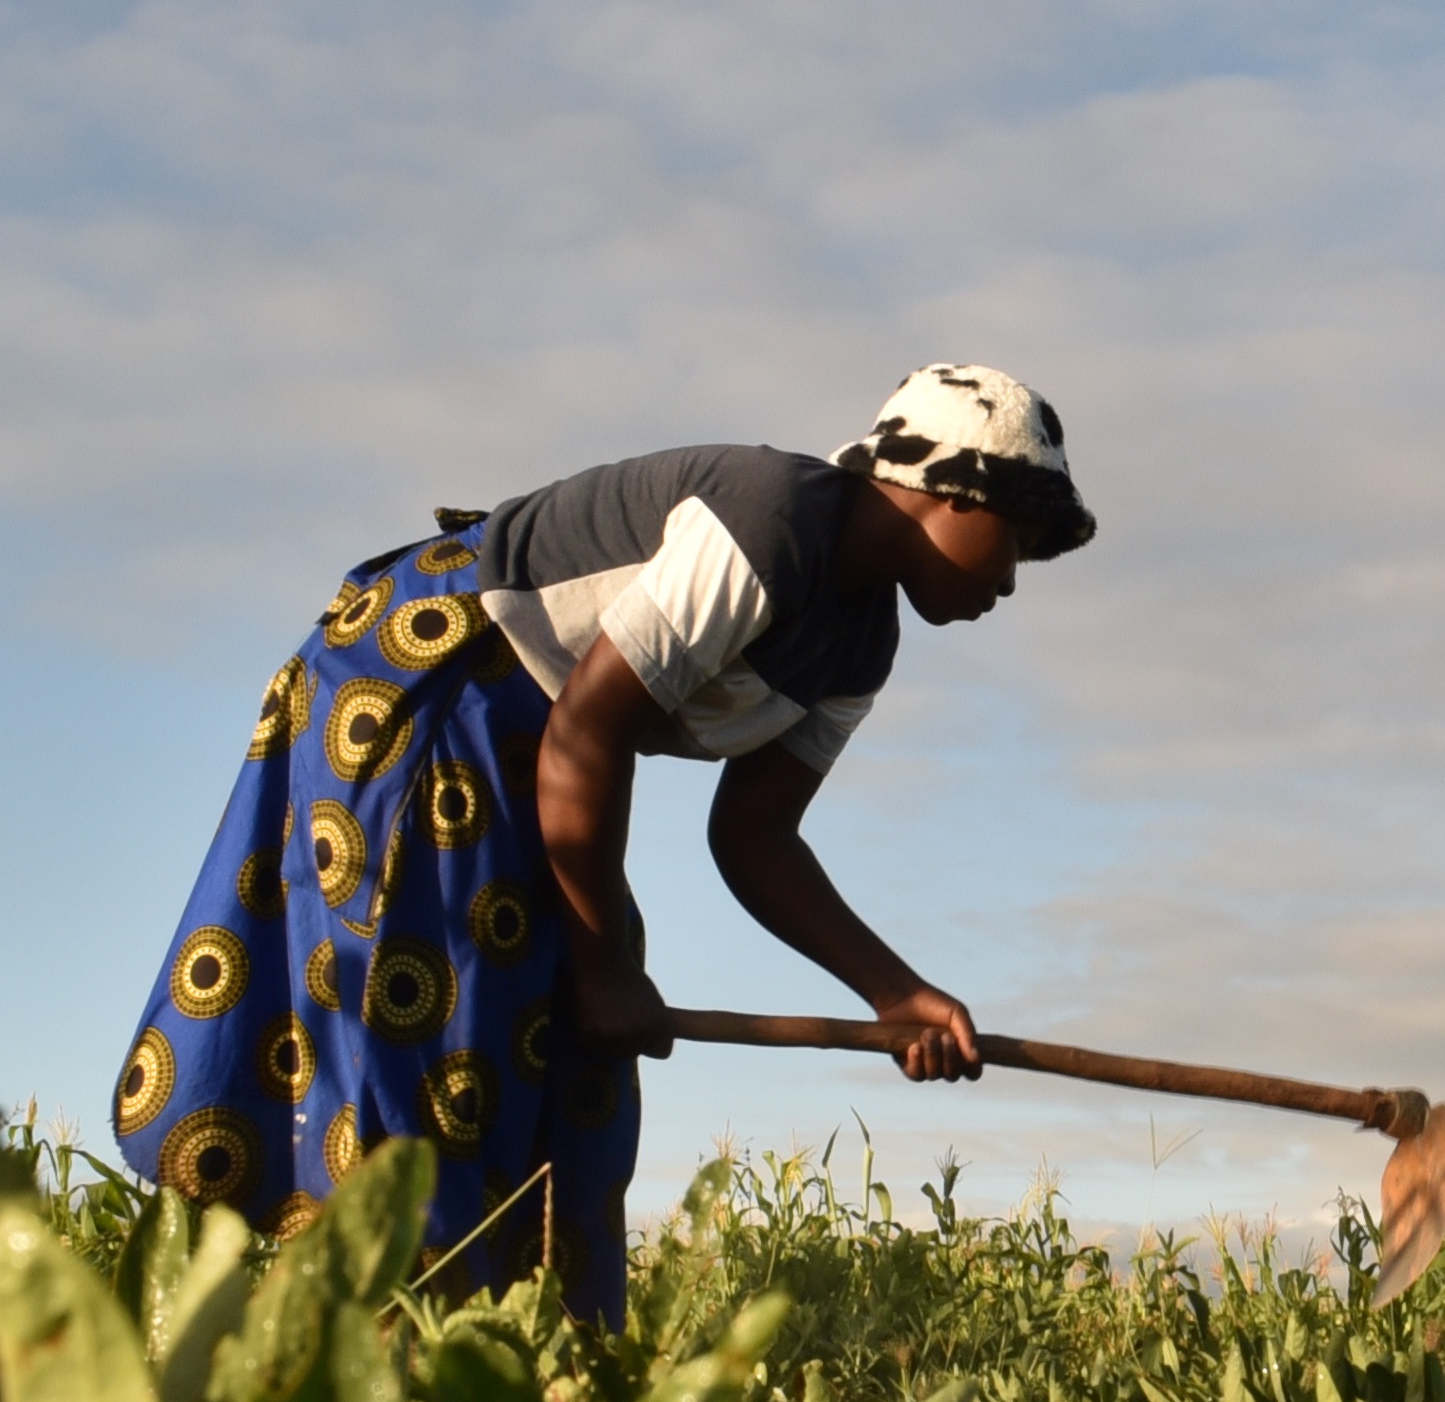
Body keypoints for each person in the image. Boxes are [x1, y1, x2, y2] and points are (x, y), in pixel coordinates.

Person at [110, 363, 1094, 1316]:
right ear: (952, 493)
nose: (1012, 578)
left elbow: (756, 840)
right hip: (443, 685)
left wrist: (893, 993)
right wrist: (603, 965)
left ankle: (544, 1363)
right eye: (1018, 541)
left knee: (570, 1055)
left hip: (543, 750)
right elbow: (591, 727)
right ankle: (391, 1353)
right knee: (440, 1015)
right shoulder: (774, 514)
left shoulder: (859, 645)